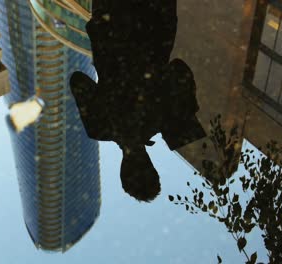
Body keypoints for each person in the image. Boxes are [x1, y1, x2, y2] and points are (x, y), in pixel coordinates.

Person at [70, 0, 206, 201]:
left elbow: (179, 68)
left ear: (150, 165)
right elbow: (78, 81)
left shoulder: (165, 117)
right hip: (112, 23)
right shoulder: (99, 126)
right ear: (123, 169)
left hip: (154, 20)